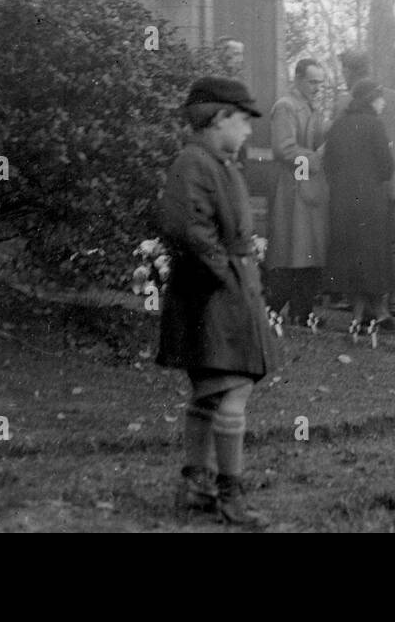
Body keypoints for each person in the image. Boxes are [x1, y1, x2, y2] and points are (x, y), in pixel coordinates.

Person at [156, 76, 277, 529]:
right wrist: (225, 273)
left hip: (223, 290)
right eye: (243, 121)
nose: (248, 130)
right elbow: (186, 228)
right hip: (211, 295)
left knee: (212, 391)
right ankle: (230, 494)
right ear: (219, 118)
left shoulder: (217, 161)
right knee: (231, 388)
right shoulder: (195, 162)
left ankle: (195, 485)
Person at [337, 51, 395, 322]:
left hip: (363, 191)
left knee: (364, 243)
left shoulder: (344, 101)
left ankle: (368, 303)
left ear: (348, 71)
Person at [324, 79, 395, 333]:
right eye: (380, 97)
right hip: (370, 200)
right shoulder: (375, 124)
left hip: (342, 201)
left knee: (350, 254)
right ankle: (376, 311)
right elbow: (387, 166)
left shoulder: (338, 125)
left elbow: (328, 164)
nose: (383, 102)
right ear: (370, 99)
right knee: (372, 255)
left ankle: (360, 312)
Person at [266, 59, 329, 327]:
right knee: (293, 250)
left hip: (307, 187)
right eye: (313, 82)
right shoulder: (286, 107)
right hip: (292, 187)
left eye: (320, 83)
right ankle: (276, 310)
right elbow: (284, 149)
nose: (317, 88)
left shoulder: (311, 107)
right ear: (298, 79)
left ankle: (302, 312)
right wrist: (316, 158)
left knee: (307, 251)